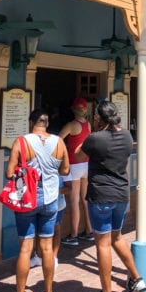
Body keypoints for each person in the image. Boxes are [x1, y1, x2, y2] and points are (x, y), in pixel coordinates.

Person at [77, 100, 146, 292]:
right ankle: (136, 279)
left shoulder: (95, 139)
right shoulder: (127, 135)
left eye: (95, 117)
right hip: (121, 194)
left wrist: (91, 131)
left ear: (100, 118)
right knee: (117, 236)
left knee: (103, 243)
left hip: (101, 196)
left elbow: (79, 152)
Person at [6, 108, 69, 292]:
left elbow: (9, 173)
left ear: (31, 121)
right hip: (51, 198)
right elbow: (66, 170)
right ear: (47, 123)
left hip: (28, 198)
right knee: (47, 247)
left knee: (26, 248)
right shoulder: (59, 142)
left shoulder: (22, 142)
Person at [59, 98, 93, 246]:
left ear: (73, 109)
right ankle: (89, 231)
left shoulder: (72, 125)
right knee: (85, 200)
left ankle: (73, 235)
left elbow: (58, 140)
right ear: (85, 110)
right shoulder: (88, 125)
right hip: (86, 163)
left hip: (74, 164)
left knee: (74, 201)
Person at [30, 173, 72, 269]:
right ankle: (38, 256)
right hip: (41, 204)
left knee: (56, 230)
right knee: (38, 231)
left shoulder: (63, 168)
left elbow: (69, 188)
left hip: (57, 204)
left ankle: (54, 257)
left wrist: (56, 191)